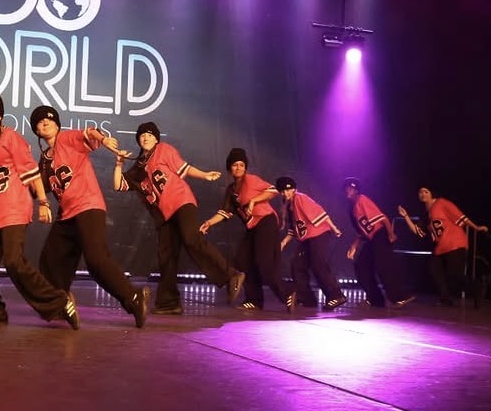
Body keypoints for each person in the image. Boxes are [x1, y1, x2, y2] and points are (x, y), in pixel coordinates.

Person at [0, 92, 80, 329]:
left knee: (14, 262)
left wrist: (43, 202)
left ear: (0, 115)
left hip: (15, 207)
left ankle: (59, 302)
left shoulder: (11, 138)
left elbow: (31, 172)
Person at [30, 105, 151, 328]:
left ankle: (133, 298)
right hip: (67, 215)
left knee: (96, 261)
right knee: (50, 259)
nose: (45, 123)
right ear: (36, 130)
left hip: (87, 206)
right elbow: (36, 187)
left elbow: (90, 132)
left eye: (50, 120)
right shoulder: (45, 160)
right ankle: (62, 304)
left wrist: (103, 140)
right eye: (40, 121)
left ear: (57, 124)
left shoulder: (66, 139)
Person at [113, 122, 245, 314]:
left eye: (150, 135)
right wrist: (119, 163)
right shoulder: (138, 167)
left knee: (191, 238)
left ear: (156, 139)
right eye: (142, 135)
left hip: (181, 201)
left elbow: (184, 168)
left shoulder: (163, 149)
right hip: (163, 215)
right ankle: (169, 303)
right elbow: (118, 185)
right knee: (166, 256)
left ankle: (231, 275)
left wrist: (204, 175)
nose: (146, 137)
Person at [200, 149, 294, 312]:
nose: (238, 168)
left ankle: (287, 294)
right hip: (252, 227)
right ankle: (254, 300)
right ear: (230, 168)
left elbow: (272, 191)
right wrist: (209, 222)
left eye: (241, 165)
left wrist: (253, 201)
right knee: (243, 260)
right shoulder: (231, 190)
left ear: (245, 167)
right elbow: (225, 212)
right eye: (235, 165)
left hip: (265, 221)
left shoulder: (251, 180)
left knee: (263, 263)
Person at [398, 187, 488, 307]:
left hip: (455, 243)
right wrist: (406, 216)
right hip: (441, 247)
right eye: (420, 192)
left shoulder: (441, 202)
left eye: (426, 191)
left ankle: (476, 288)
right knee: (434, 269)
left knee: (455, 276)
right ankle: (445, 297)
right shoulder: (425, 214)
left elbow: (460, 216)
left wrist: (476, 227)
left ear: (432, 194)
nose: (422, 194)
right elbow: (418, 232)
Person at [274, 176, 348, 310]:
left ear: (294, 189)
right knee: (297, 265)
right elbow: (294, 229)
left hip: (318, 234)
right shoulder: (289, 206)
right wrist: (283, 242)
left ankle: (336, 296)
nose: (286, 193)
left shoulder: (300, 198)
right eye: (283, 191)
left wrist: (334, 228)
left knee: (318, 263)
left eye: (288, 190)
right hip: (307, 238)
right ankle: (307, 299)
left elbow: (321, 213)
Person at [343, 177, 416, 309]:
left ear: (356, 190)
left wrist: (391, 234)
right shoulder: (353, 209)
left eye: (351, 188)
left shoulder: (362, 200)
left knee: (384, 266)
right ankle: (375, 299)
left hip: (380, 234)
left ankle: (401, 296)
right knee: (361, 265)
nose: (347, 190)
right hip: (371, 239)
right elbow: (362, 233)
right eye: (346, 188)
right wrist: (354, 246)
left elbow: (382, 218)